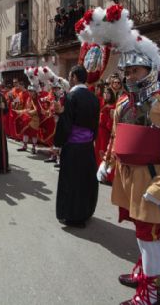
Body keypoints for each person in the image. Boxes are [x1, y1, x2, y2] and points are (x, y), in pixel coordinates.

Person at [92, 4, 160, 305]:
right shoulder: (125, 101)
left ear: (151, 70)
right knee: (140, 231)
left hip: (152, 178)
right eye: (126, 70)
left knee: (148, 234)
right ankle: (144, 271)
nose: (129, 75)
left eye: (135, 69)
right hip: (128, 177)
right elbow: (117, 135)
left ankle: (150, 294)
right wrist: (107, 160)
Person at [54, 65, 100, 226]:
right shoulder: (93, 97)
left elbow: (66, 124)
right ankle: (85, 211)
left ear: (74, 77)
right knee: (85, 180)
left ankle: (72, 215)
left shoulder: (71, 97)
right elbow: (95, 124)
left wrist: (58, 143)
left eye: (70, 75)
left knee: (72, 181)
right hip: (87, 145)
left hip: (73, 146)